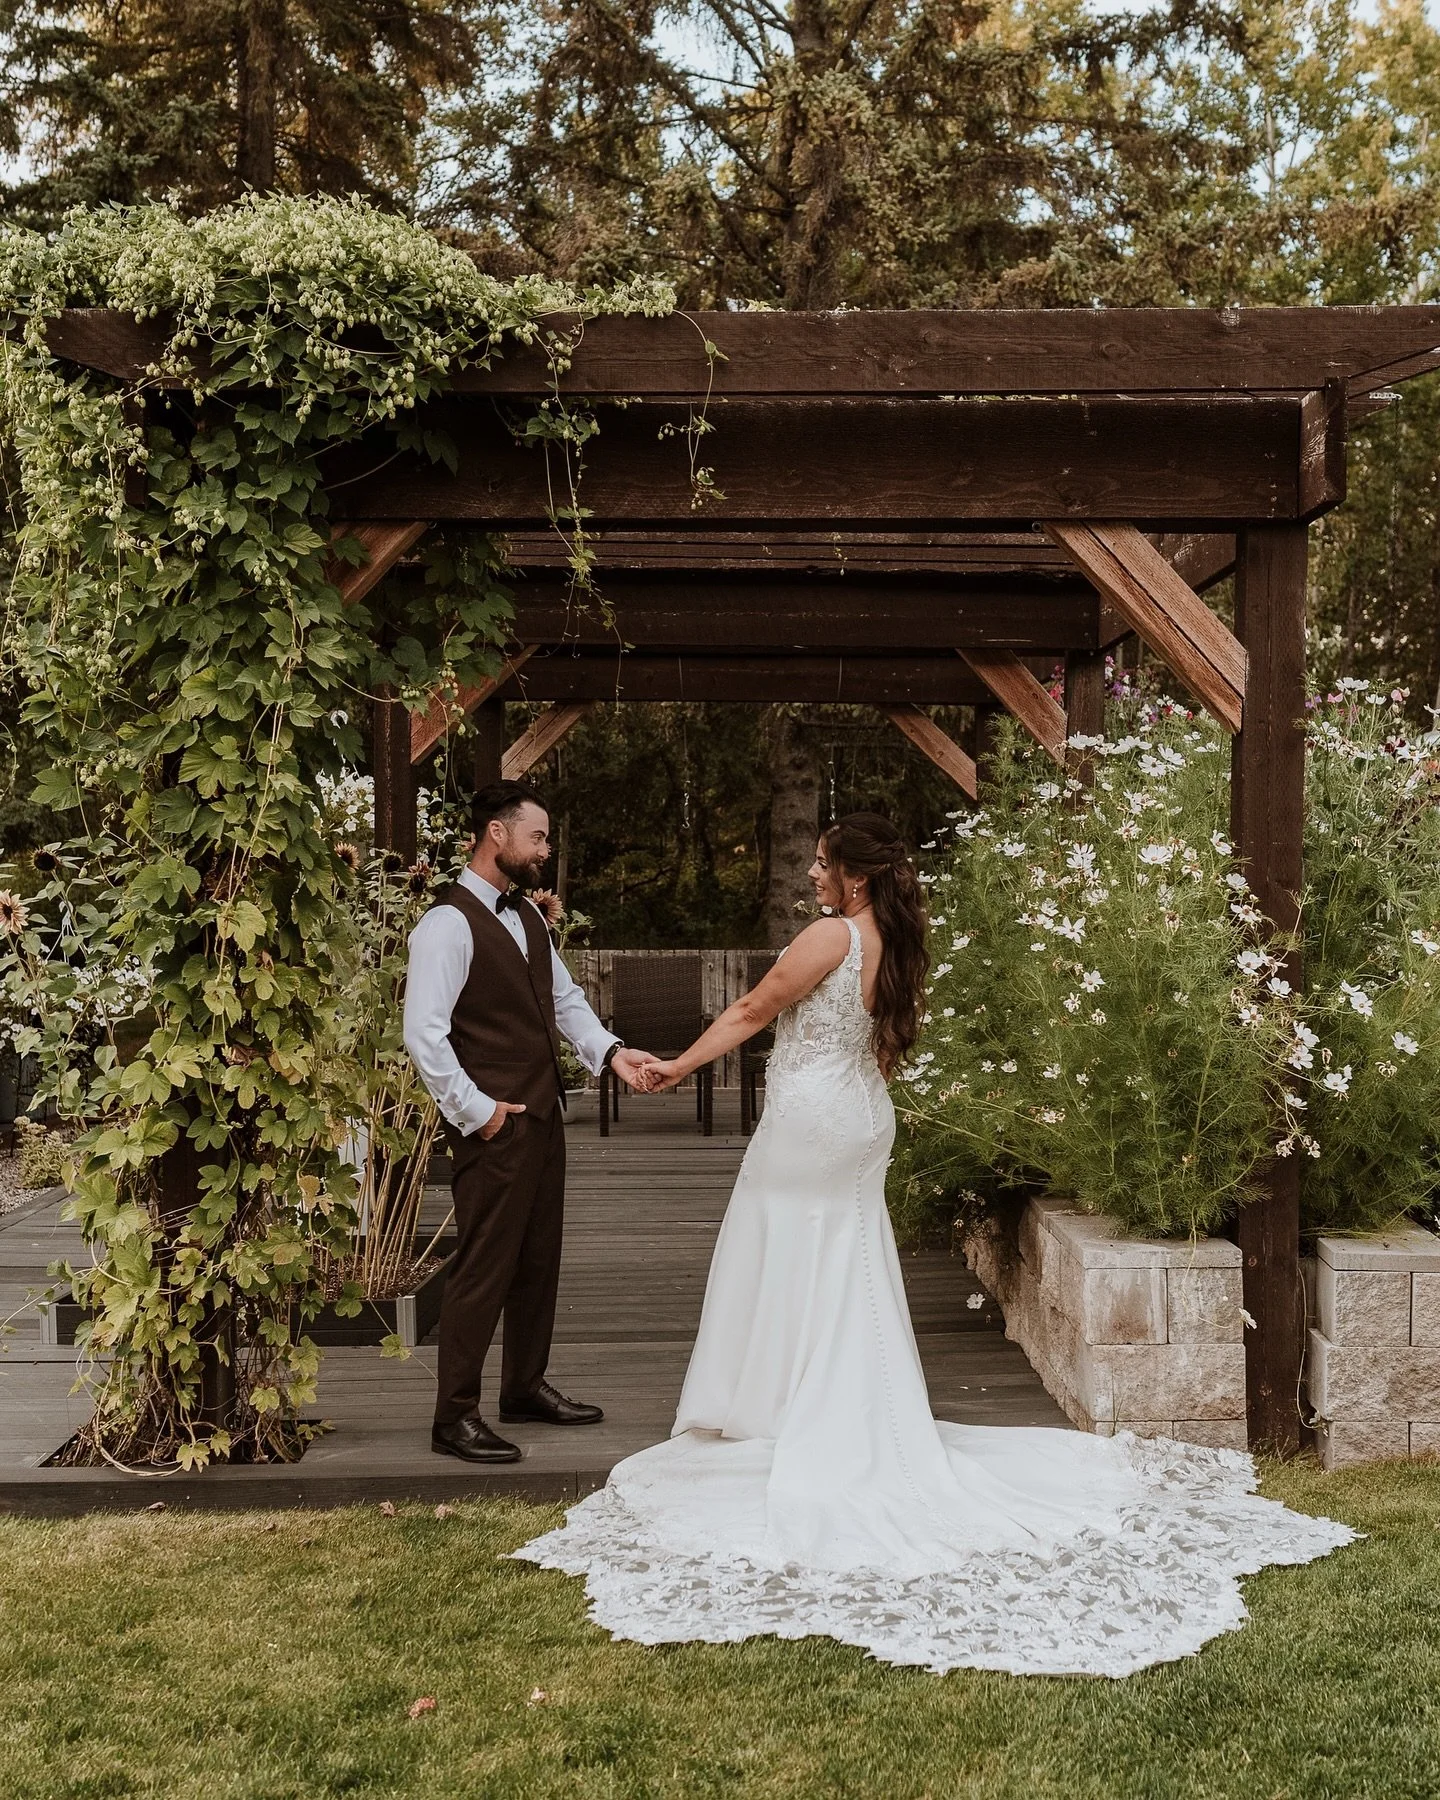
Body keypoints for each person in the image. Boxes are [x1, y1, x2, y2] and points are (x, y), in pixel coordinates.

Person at [513, 811, 1356, 1676]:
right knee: (841, 1260)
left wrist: (675, 1068)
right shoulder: (898, 944)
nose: (811, 873)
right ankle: (807, 1400)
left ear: (857, 881)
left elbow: (751, 1009)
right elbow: (876, 1051)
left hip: (809, 1124)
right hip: (858, 1118)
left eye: (823, 863)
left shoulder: (830, 937)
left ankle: (777, 1409)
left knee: (786, 1251)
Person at [403, 780, 656, 1465]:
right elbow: (424, 1035)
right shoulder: (447, 925)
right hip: (495, 1123)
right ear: (497, 835)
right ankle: (453, 1415)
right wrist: (478, 1114)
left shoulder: (528, 918)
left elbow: (564, 1001)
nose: (545, 850)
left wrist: (611, 1053)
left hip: (542, 1116)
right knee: (484, 1266)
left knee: (538, 1261)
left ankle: (522, 1387)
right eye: (537, 837)